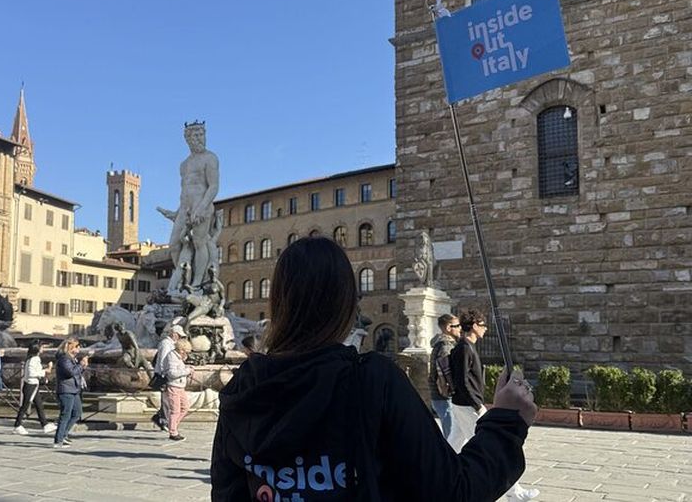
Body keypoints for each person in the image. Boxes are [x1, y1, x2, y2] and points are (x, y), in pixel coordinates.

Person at [210, 237, 537, 501]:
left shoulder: (244, 387)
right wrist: (506, 423)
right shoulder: (372, 380)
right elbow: (455, 491)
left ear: (277, 302)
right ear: (346, 304)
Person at [448, 310, 539, 502]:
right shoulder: (464, 348)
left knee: (452, 444)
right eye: (482, 324)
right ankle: (515, 494)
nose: (485, 328)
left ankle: (440, 474)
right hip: (467, 405)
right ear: (473, 325)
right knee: (492, 446)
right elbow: (462, 380)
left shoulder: (468, 347)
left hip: (463, 404)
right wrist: (477, 405)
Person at [156, 121, 220, 292]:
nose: (200, 138)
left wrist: (201, 207)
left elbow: (213, 186)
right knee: (174, 245)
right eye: (196, 135)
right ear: (188, 139)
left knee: (199, 243)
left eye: (202, 135)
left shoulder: (210, 158)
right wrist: (175, 213)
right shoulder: (184, 165)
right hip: (184, 209)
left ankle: (197, 282)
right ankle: (184, 276)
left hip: (202, 207)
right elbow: (185, 191)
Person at [13, 342, 56, 435]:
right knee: (25, 405)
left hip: (33, 385)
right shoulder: (34, 359)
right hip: (31, 385)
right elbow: (32, 373)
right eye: (41, 347)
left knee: (39, 405)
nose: (43, 349)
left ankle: (45, 424)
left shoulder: (32, 359)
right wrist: (45, 371)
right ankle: (17, 425)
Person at [151, 320, 187, 431]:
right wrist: (164, 375)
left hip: (166, 374)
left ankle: (162, 419)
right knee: (167, 400)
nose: (180, 338)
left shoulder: (170, 344)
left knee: (167, 399)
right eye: (179, 336)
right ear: (174, 334)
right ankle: (166, 422)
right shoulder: (166, 343)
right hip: (165, 375)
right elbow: (163, 360)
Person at [429, 313, 461, 438]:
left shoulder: (441, 344)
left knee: (453, 433)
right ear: (448, 328)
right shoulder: (446, 345)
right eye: (457, 325)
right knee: (450, 434)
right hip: (444, 395)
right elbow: (444, 372)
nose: (460, 328)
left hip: (440, 396)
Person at [54, 337, 88, 449]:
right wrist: (80, 365)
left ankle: (64, 434)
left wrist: (83, 366)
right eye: (77, 346)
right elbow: (70, 372)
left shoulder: (72, 358)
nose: (79, 348)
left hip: (74, 389)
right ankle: (58, 440)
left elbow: (77, 373)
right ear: (71, 347)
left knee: (77, 413)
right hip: (66, 390)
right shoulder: (64, 359)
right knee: (65, 415)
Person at [162, 338, 194, 441]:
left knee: (185, 407)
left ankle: (173, 425)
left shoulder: (178, 357)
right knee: (175, 410)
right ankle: (173, 432)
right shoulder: (172, 356)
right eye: (185, 351)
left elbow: (178, 369)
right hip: (173, 386)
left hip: (180, 386)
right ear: (180, 349)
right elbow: (172, 373)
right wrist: (187, 371)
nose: (186, 353)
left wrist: (185, 365)